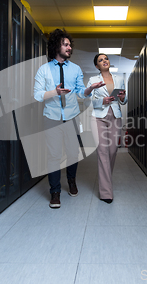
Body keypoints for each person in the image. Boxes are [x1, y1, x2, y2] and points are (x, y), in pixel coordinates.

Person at [33, 29, 104, 209]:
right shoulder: (44, 70)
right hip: (52, 117)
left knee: (73, 153)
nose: (69, 48)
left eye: (70, 45)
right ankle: (55, 192)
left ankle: (71, 181)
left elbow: (81, 92)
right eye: (66, 44)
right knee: (54, 155)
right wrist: (55, 92)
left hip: (72, 117)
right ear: (56, 46)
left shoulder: (76, 69)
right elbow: (37, 95)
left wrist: (90, 89)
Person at [86, 53, 127, 204]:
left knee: (113, 150)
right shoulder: (93, 80)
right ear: (97, 66)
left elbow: (124, 99)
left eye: (106, 59)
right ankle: (106, 192)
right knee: (102, 151)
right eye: (100, 60)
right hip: (98, 116)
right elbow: (88, 100)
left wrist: (122, 97)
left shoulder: (119, 79)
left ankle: (105, 179)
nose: (105, 61)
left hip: (115, 115)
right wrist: (102, 100)